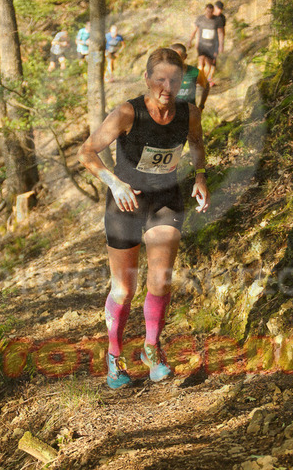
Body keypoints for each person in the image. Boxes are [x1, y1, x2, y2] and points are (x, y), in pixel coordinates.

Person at [78, 48, 210, 389]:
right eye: (160, 79)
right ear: (147, 79)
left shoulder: (189, 113)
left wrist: (200, 176)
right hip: (126, 203)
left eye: (174, 80)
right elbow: (86, 151)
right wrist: (114, 182)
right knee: (124, 289)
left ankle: (152, 348)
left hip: (165, 201)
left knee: (161, 280)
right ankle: (114, 355)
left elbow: (196, 142)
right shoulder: (128, 112)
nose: (167, 87)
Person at [188, 4, 224, 87]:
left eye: (210, 12)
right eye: (207, 11)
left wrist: (221, 45)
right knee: (200, 62)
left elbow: (220, 33)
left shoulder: (217, 20)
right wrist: (190, 40)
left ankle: (205, 79)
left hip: (212, 46)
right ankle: (199, 79)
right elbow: (194, 30)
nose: (209, 13)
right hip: (202, 44)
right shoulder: (200, 19)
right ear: (205, 10)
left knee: (209, 64)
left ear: (213, 11)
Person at [170, 43, 210, 112]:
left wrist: (201, 105)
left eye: (178, 57)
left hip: (189, 113)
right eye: (171, 57)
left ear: (185, 57)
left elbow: (206, 86)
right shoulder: (163, 73)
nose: (175, 60)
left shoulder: (195, 72)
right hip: (170, 114)